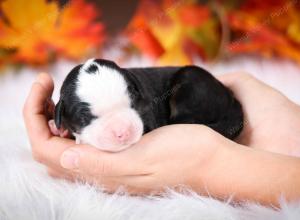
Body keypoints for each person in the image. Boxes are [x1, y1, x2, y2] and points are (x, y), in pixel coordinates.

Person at [23, 72, 300, 206]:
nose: (121, 130)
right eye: (89, 119)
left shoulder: (148, 93)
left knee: (188, 84)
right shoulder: (68, 110)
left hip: (199, 91)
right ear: (60, 116)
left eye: (129, 106)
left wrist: (211, 162)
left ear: (134, 92)